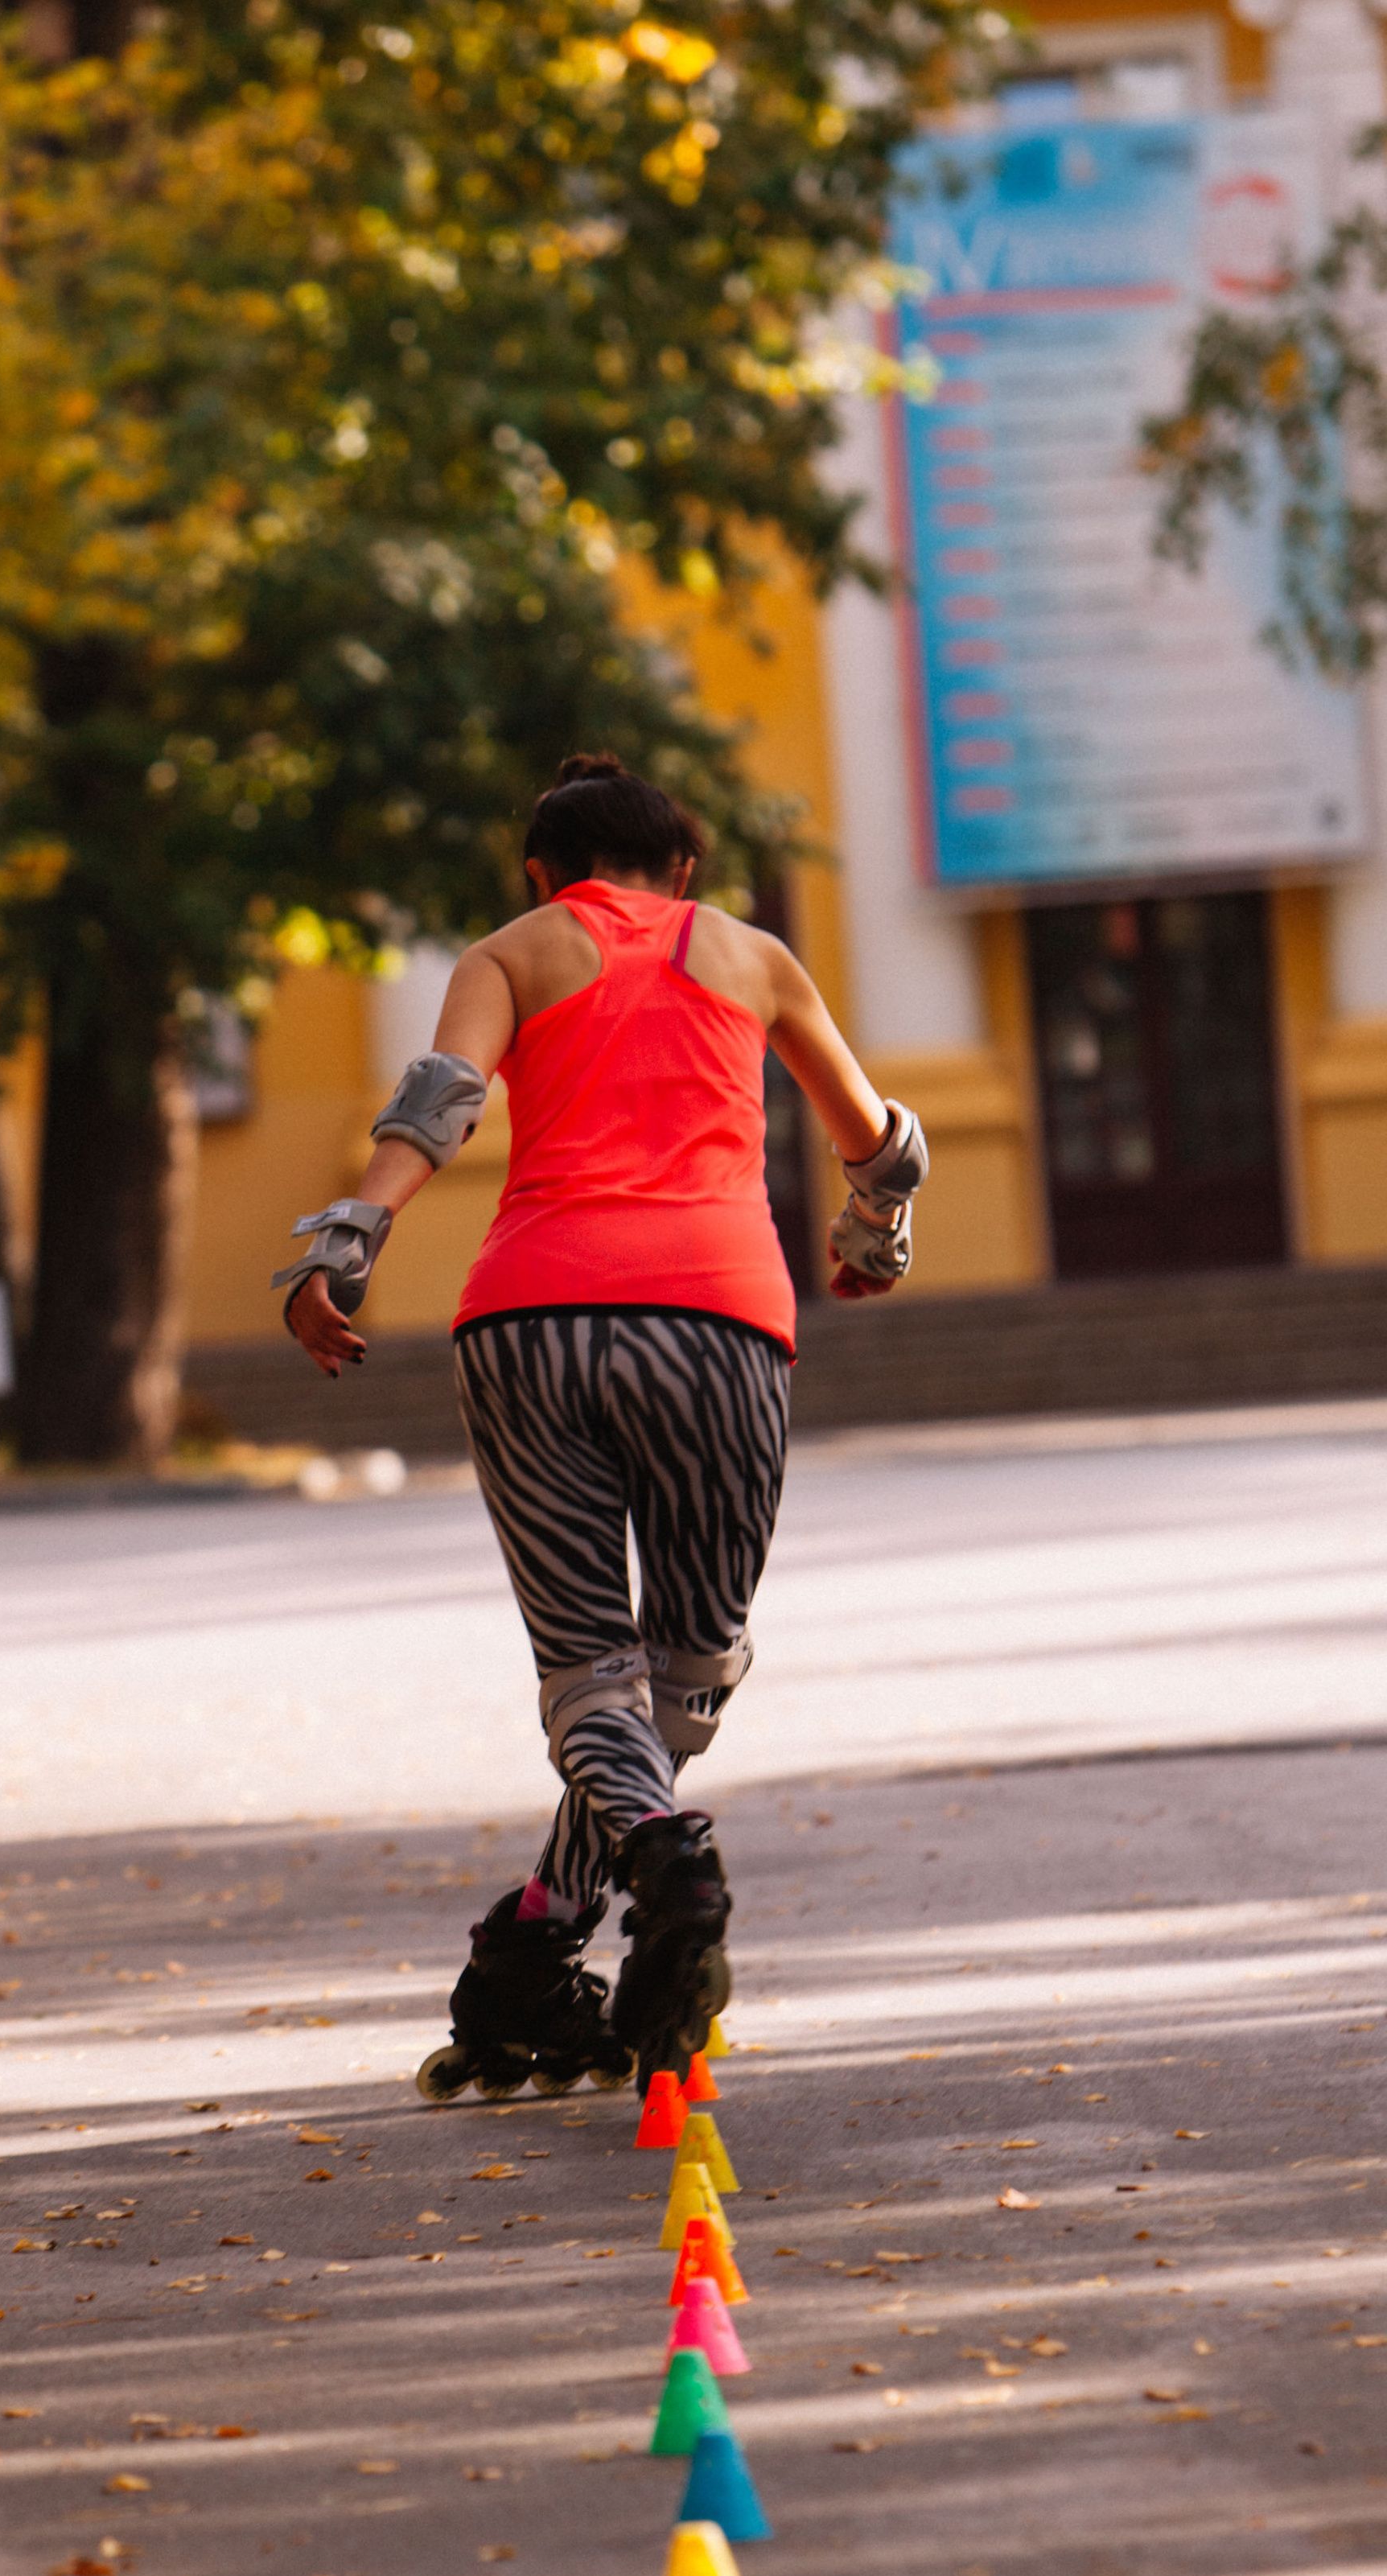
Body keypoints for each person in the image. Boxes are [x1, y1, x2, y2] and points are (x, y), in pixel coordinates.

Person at [274, 754, 924, 2101]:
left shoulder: (512, 950)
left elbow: (440, 1102)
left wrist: (346, 1241)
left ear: (542, 876)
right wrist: (875, 1240)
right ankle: (625, 1872)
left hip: (529, 1325)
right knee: (688, 1678)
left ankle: (560, 1925)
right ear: (683, 871)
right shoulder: (753, 958)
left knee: (588, 1676)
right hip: (722, 1326)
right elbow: (880, 1142)